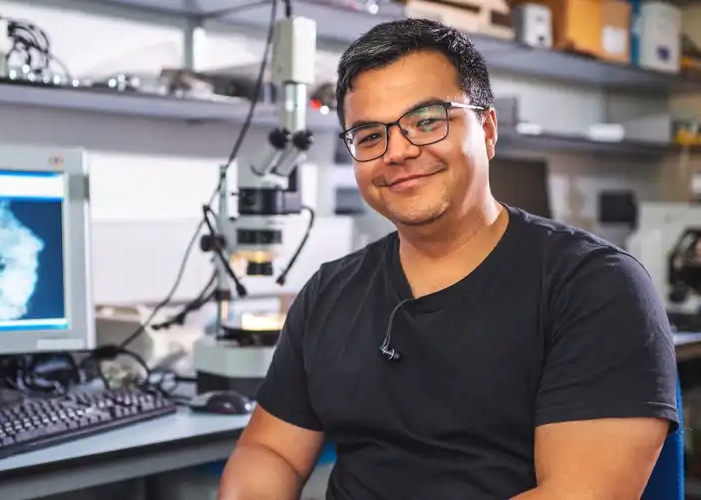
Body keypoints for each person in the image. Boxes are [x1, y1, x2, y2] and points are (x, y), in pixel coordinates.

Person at [217, 18, 679, 500]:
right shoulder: (329, 293)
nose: (396, 151)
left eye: (427, 121)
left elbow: (579, 493)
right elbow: (271, 452)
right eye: (370, 135)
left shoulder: (594, 287)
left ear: (488, 129)